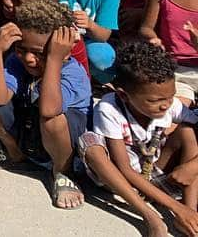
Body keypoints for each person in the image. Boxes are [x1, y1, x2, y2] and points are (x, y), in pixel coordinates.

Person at [78, 41, 198, 237]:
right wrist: (174, 206)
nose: (165, 105)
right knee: (90, 145)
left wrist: (193, 166)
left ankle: (190, 213)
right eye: (154, 101)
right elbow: (123, 168)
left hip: (154, 173)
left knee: (187, 131)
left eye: (170, 97)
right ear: (124, 96)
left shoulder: (169, 102)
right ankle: (150, 217)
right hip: (121, 182)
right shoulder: (109, 109)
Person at [0, 0, 89, 209]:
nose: (29, 59)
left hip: (69, 151)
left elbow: (50, 110)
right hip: (33, 140)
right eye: (22, 49)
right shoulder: (17, 61)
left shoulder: (73, 73)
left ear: (64, 51)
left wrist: (54, 60)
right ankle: (18, 156)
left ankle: (62, 173)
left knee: (53, 121)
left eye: (40, 53)